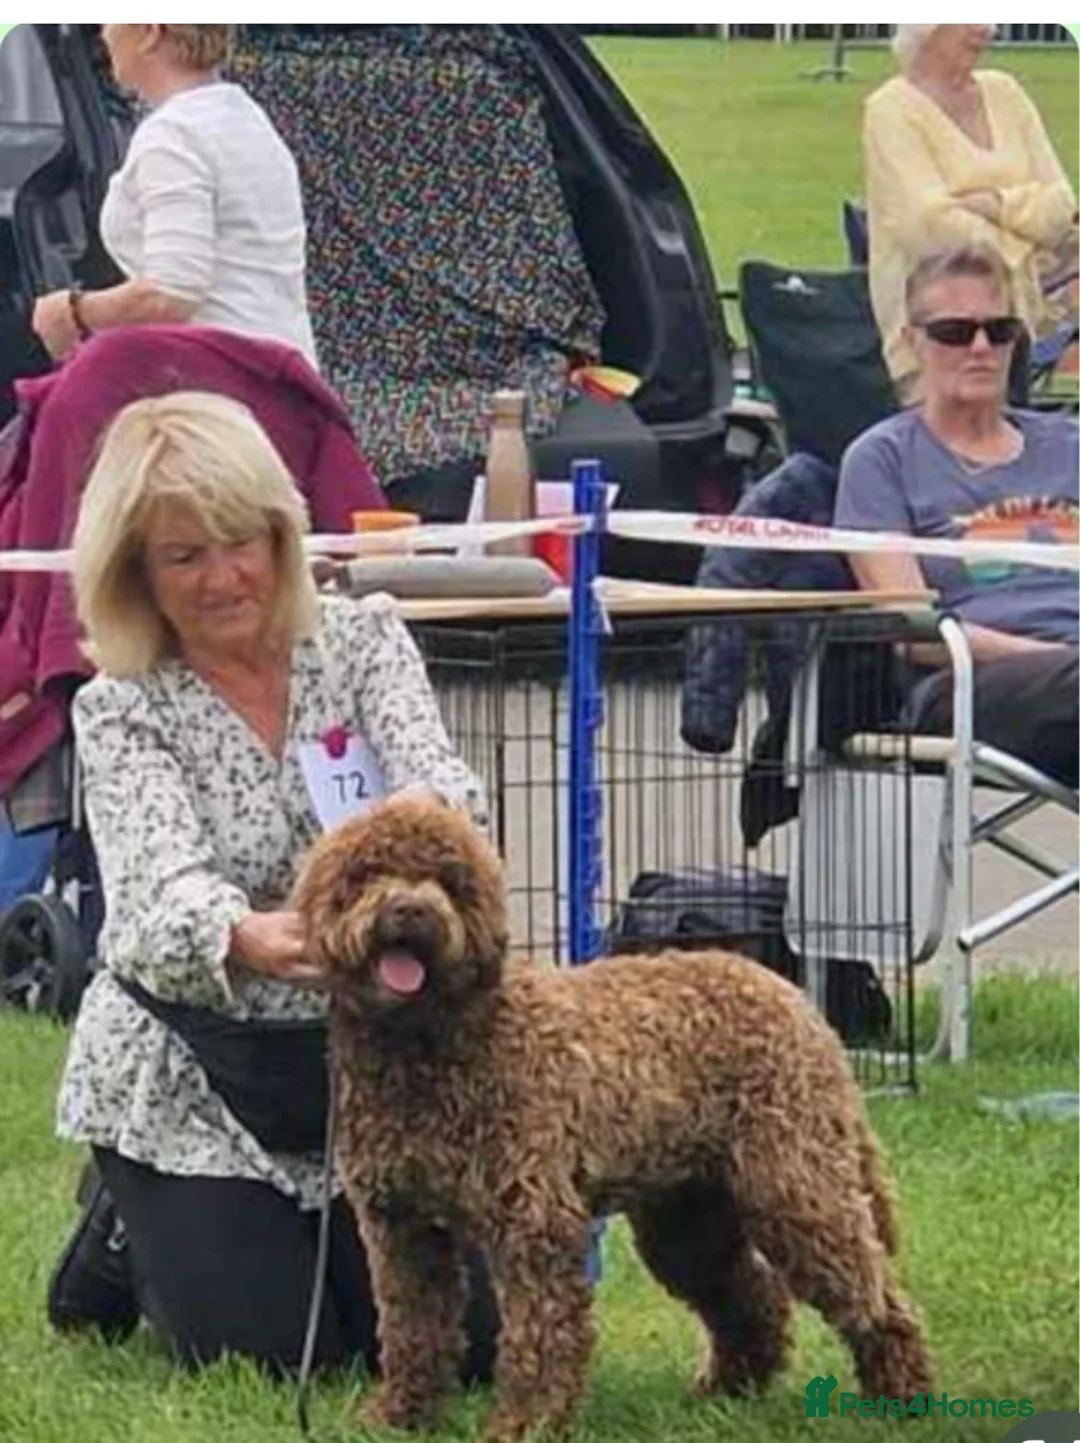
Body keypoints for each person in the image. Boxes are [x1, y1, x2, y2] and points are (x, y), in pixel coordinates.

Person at [46, 391, 496, 1377]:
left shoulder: (365, 640)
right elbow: (159, 894)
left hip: (370, 1051)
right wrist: (245, 937)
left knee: (462, 1351)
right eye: (183, 556)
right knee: (288, 1359)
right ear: (137, 575)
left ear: (282, 535)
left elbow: (444, 789)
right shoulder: (122, 709)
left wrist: (423, 836)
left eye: (240, 540)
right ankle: (122, 1225)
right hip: (194, 1066)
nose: (223, 576)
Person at [836, 244, 1078, 789]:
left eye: (1000, 331)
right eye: (953, 332)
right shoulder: (883, 459)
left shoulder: (1070, 446)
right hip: (972, 683)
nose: (980, 348)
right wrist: (1054, 656)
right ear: (910, 341)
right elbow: (912, 628)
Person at [31, 25, 317, 366]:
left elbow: (172, 293)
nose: (103, 35)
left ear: (151, 32)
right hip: (284, 373)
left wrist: (72, 311)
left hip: (223, 385)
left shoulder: (173, 134)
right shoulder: (244, 116)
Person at [864, 24, 1077, 398]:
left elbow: (1062, 207)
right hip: (936, 339)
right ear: (927, 27)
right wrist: (1028, 248)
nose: (987, 30)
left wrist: (997, 205)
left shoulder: (1005, 92)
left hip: (1015, 332)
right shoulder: (890, 111)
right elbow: (931, 229)